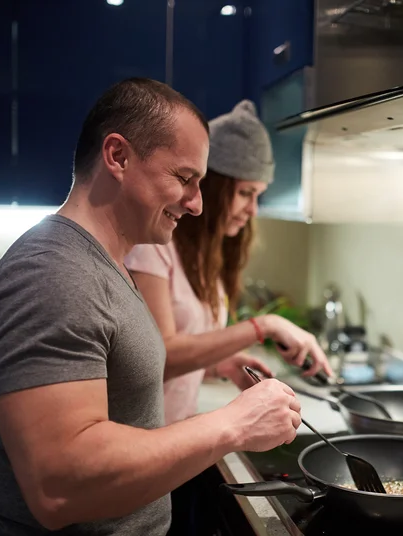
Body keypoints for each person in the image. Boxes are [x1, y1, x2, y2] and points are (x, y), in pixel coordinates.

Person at [0, 79, 302, 536]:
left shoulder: (103, 265)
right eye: (185, 179)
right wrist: (235, 423)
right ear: (118, 157)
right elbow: (60, 485)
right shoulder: (53, 276)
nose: (198, 204)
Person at [124, 100, 333, 533]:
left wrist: (223, 365)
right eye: (244, 193)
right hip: (148, 451)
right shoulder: (153, 245)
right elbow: (161, 352)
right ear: (213, 185)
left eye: (258, 194)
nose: (252, 209)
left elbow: (185, 347)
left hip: (182, 447)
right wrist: (263, 326)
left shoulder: (205, 258)